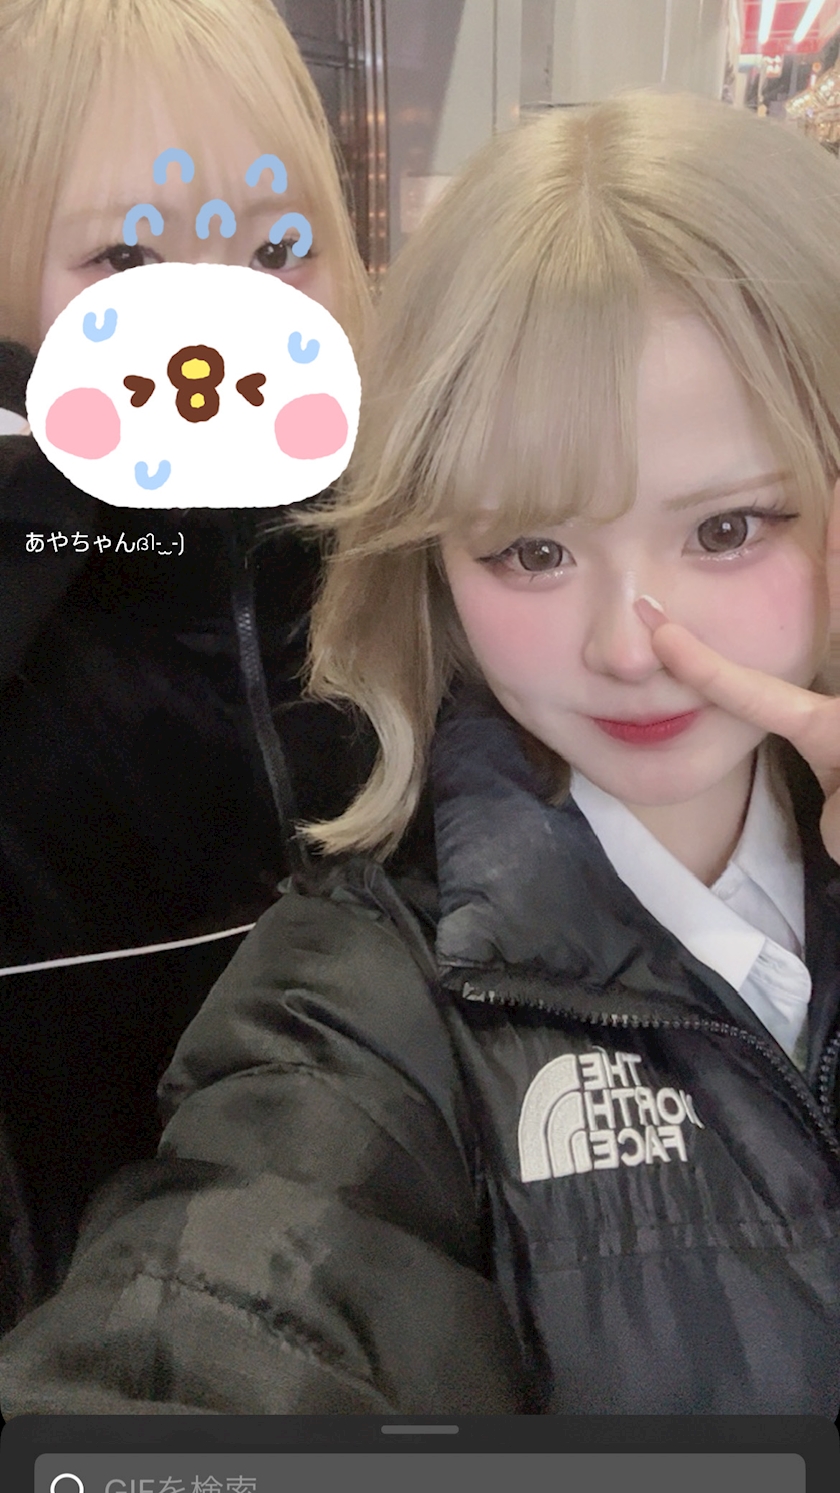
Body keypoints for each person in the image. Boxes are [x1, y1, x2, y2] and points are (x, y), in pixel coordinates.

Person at [2, 86, 840, 1417]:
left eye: (728, 529)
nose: (630, 645)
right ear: (434, 558)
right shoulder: (360, 1005)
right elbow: (202, 1336)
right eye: (533, 549)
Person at [0, 0, 373, 1332]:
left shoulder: (396, 546)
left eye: (275, 251)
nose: (218, 325)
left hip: (380, 1281)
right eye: (127, 259)